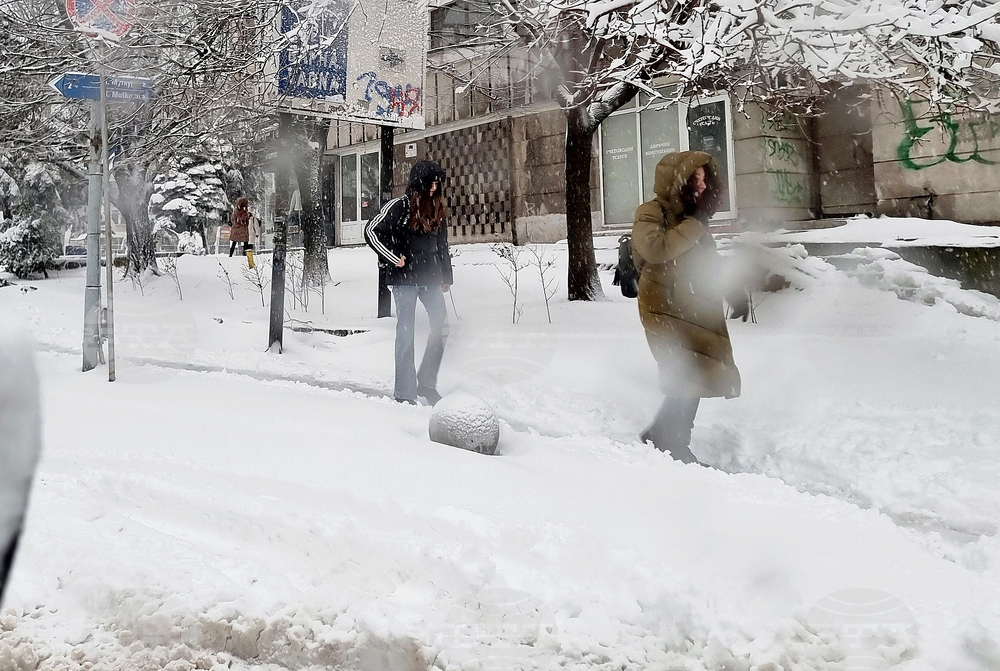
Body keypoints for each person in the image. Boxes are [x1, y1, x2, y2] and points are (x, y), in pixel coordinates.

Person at [631, 151, 741, 464]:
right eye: (696, 179)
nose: (703, 186)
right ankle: (670, 441)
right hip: (662, 306)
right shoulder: (650, 212)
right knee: (684, 373)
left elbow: (707, 262)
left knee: (698, 374)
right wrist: (696, 224)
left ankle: (665, 434)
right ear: (677, 181)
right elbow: (656, 248)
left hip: (693, 305)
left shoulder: (694, 216)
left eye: (707, 179)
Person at [364, 161, 453, 405]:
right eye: (431, 183)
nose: (435, 187)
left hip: (431, 279)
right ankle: (405, 393)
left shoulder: (436, 208)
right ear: (419, 184)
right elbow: (371, 231)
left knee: (442, 327)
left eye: (438, 183)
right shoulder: (399, 206)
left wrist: (446, 275)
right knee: (406, 333)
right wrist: (394, 257)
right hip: (404, 281)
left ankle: (425, 383)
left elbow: (442, 244)